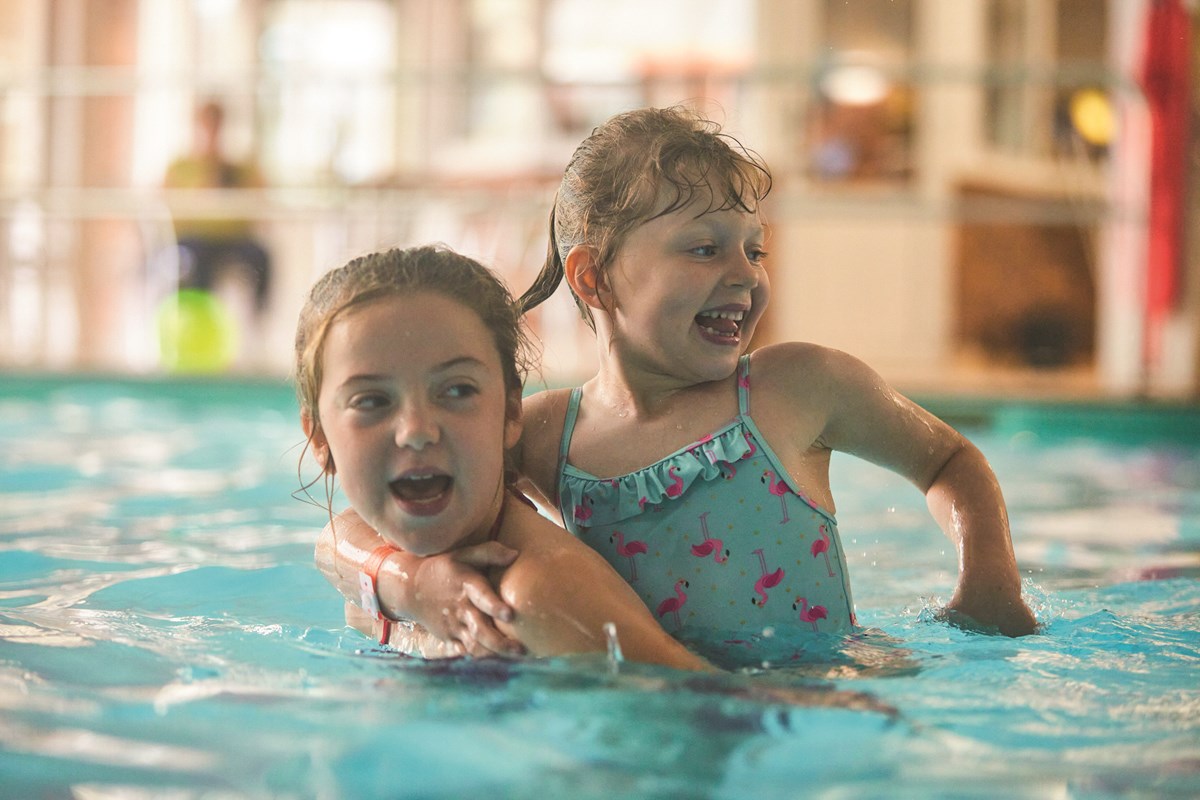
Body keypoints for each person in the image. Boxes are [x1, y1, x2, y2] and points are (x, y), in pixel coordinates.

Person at [316, 106, 1038, 665]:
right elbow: (363, 520)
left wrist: (988, 576)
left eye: (754, 249)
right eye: (704, 248)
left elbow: (949, 462)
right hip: (672, 697)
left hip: (830, 689)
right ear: (593, 277)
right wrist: (406, 581)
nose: (746, 275)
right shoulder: (541, 434)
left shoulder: (797, 388)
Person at [296, 243, 711, 671]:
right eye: (372, 401)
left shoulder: (532, 601)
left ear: (512, 412)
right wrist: (408, 587)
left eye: (457, 390)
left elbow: (706, 708)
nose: (417, 431)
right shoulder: (378, 582)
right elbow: (337, 536)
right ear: (320, 438)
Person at [161, 100, 272, 318]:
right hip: (195, 238)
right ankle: (200, 320)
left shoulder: (239, 168)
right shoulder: (181, 167)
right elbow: (167, 205)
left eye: (217, 125)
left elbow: (259, 202)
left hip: (234, 238)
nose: (212, 132)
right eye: (206, 125)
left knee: (261, 256)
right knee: (196, 259)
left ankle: (258, 319)